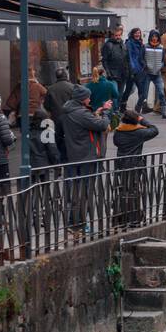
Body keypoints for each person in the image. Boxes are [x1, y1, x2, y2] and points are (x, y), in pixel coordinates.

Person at [60, 84, 112, 236]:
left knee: (76, 191)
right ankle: (78, 224)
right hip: (86, 157)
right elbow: (102, 125)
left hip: (74, 156)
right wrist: (106, 113)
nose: (90, 99)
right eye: (88, 97)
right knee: (84, 192)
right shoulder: (81, 113)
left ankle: (75, 222)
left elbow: (86, 124)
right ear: (82, 99)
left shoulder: (69, 110)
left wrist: (97, 111)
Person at [112, 109, 159, 228]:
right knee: (133, 191)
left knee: (122, 190)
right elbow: (154, 130)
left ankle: (121, 218)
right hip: (134, 164)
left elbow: (116, 143)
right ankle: (134, 218)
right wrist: (143, 120)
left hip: (121, 164)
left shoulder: (118, 132)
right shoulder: (139, 133)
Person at [45, 67, 76, 161]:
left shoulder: (50, 89)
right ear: (66, 75)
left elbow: (46, 105)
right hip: (70, 117)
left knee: (57, 139)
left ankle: (59, 160)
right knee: (70, 138)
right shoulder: (72, 87)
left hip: (56, 118)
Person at [101, 26, 131, 101]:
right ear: (112, 35)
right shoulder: (108, 45)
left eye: (119, 35)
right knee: (114, 94)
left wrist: (128, 71)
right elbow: (104, 60)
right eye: (116, 35)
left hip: (123, 74)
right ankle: (113, 111)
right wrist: (108, 73)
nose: (118, 37)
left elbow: (126, 59)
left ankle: (117, 109)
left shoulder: (123, 45)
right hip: (113, 74)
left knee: (120, 94)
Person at [144, 30, 166, 116]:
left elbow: (163, 60)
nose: (154, 38)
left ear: (158, 37)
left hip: (157, 74)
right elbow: (141, 58)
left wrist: (160, 67)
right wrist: (145, 66)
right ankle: (139, 111)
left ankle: (164, 111)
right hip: (147, 73)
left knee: (161, 92)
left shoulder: (161, 48)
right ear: (150, 37)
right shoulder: (145, 46)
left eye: (156, 36)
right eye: (153, 36)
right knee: (144, 94)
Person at [123, 27, 147, 109]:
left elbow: (142, 57)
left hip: (139, 70)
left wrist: (144, 65)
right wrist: (132, 70)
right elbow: (130, 57)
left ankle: (139, 107)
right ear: (132, 34)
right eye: (136, 33)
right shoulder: (129, 43)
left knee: (141, 90)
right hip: (132, 71)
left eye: (139, 33)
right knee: (129, 89)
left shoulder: (140, 44)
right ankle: (122, 106)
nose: (138, 34)